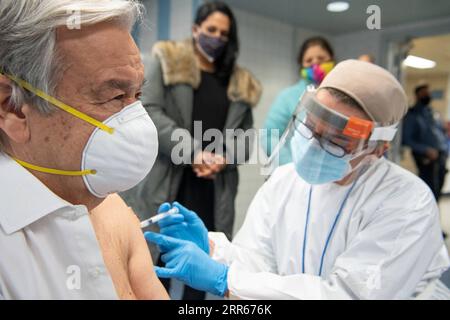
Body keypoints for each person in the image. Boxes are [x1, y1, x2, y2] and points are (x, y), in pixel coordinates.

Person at [146, 60, 450, 300]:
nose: (315, 144)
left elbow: (349, 295)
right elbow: (261, 263)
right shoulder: (285, 179)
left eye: (336, 140)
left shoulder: (407, 203)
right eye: (311, 127)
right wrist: (215, 250)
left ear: (379, 146)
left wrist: (225, 280)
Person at [0, 0, 168, 299]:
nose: (137, 122)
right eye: (115, 96)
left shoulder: (112, 210)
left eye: (137, 94)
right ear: (13, 108)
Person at [120, 1, 261, 300]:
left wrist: (221, 159)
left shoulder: (240, 82)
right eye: (211, 30)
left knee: (201, 263)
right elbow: (149, 110)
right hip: (168, 181)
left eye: (224, 33)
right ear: (196, 29)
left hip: (213, 188)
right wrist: (194, 152)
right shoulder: (167, 60)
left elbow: (246, 138)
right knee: (152, 263)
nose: (217, 38)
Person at [263, 36, 335, 166]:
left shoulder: (341, 97)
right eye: (309, 60)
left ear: (332, 60)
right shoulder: (288, 97)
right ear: (301, 65)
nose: (315, 64)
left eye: (321, 58)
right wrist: (292, 166)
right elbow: (268, 136)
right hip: (292, 174)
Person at [403, 84, 449, 201]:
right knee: (429, 188)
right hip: (426, 158)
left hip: (441, 155)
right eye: (425, 93)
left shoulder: (432, 113)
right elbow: (406, 139)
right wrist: (425, 150)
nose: (428, 95)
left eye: (429, 93)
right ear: (417, 95)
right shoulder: (412, 115)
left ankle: (435, 213)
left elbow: (440, 132)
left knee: (439, 187)